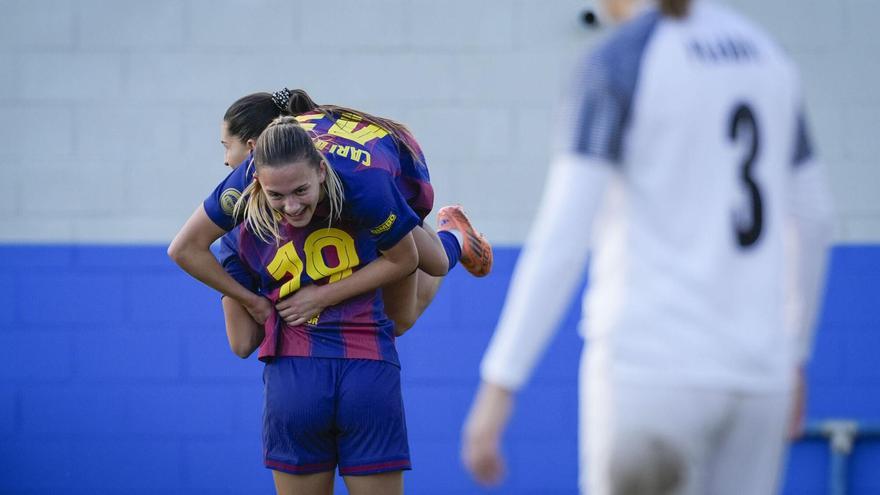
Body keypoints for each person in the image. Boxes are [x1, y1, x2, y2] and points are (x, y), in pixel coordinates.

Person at [461, 0, 835, 494]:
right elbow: (814, 217)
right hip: (759, 375)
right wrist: (794, 353)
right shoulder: (768, 55)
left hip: (654, 369)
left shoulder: (620, 59)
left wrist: (500, 382)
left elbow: (565, 234)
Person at [169, 88, 493, 351]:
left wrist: (319, 297)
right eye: (279, 196)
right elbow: (185, 250)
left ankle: (454, 237)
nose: (226, 160)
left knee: (415, 292)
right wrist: (250, 300)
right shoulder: (258, 176)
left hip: (393, 180)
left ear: (254, 147)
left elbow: (405, 259)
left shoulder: (355, 182)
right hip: (349, 168)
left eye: (228, 147)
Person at [195, 117, 419, 494]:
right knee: (409, 301)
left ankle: (450, 243)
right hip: (369, 366)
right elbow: (411, 257)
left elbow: (241, 344)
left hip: (295, 376)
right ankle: (453, 240)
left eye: (226, 147)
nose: (292, 206)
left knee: (409, 285)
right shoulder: (362, 189)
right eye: (279, 196)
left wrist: (252, 300)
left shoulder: (240, 230)